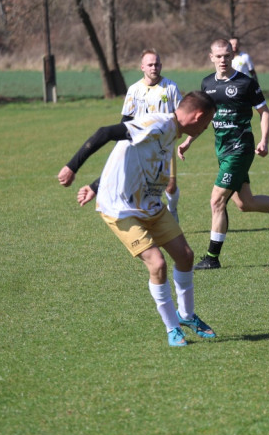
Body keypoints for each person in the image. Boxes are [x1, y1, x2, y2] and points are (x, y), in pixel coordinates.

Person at [57, 92, 218, 347]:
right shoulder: (156, 124)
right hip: (121, 210)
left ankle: (186, 316)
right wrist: (71, 167)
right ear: (198, 117)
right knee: (157, 264)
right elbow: (104, 133)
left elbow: (126, 157)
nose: (205, 128)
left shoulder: (170, 133)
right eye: (207, 122)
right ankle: (172, 329)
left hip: (150, 206)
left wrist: (95, 185)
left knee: (185, 256)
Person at [178, 38, 269, 270]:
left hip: (240, 149)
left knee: (217, 201)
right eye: (218, 56)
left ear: (233, 55)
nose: (223, 60)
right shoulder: (207, 83)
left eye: (227, 55)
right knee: (245, 203)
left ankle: (212, 258)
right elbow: (205, 118)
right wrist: (189, 140)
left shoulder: (245, 83)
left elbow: (265, 112)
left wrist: (264, 141)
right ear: (211, 57)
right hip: (221, 149)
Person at [121, 49, 184, 221]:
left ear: (161, 66)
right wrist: (123, 143)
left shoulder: (170, 87)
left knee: (170, 186)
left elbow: (181, 115)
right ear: (142, 67)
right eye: (150, 64)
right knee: (144, 188)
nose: (154, 67)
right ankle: (149, 219)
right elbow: (126, 118)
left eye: (156, 64)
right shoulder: (134, 90)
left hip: (165, 145)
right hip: (141, 146)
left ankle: (172, 209)